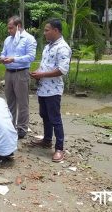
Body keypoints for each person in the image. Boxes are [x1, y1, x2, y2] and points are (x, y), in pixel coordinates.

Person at [30, 19, 71, 162]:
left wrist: (42, 74)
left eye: (47, 30)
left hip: (53, 90)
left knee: (55, 118)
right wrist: (37, 73)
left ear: (56, 30)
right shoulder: (48, 47)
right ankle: (47, 140)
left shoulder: (63, 48)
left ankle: (59, 148)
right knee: (44, 115)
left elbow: (62, 70)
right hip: (43, 88)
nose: (44, 32)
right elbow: (45, 66)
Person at [0, 16, 37, 139]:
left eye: (11, 28)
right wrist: (2, 58)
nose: (9, 30)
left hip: (21, 72)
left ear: (18, 26)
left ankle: (22, 128)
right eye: (8, 28)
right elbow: (4, 52)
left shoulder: (29, 39)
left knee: (22, 102)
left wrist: (14, 59)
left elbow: (31, 57)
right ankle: (10, 125)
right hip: (9, 72)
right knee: (10, 101)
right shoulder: (8, 40)